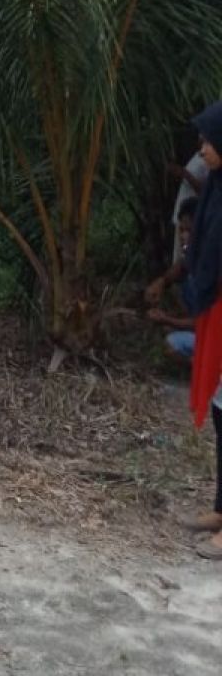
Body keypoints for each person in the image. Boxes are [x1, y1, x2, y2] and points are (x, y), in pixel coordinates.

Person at [179, 101, 222, 560]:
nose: (203, 148)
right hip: (215, 308)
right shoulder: (214, 188)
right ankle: (220, 508)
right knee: (221, 412)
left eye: (210, 140)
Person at [145, 197, 197, 362]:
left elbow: (205, 322)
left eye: (188, 230)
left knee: (170, 343)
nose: (183, 236)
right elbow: (181, 267)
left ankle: (210, 368)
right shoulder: (193, 259)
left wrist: (167, 319)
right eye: (181, 230)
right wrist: (161, 282)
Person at [170, 152, 209, 263]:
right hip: (182, 215)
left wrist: (183, 173)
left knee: (186, 258)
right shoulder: (197, 155)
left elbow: (205, 190)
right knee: (180, 256)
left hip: (192, 216)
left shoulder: (211, 158)